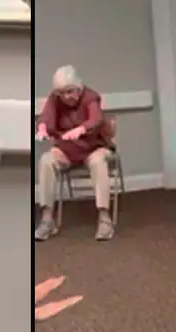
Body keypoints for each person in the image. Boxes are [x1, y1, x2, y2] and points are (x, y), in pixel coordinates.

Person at [34, 65, 115, 242]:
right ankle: (47, 219)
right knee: (47, 160)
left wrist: (81, 129)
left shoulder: (90, 97)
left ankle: (104, 217)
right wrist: (41, 127)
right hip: (68, 150)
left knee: (97, 162)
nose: (66, 97)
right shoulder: (55, 99)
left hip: (94, 147)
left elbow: (96, 119)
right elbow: (46, 116)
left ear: (79, 88)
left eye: (70, 92)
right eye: (62, 93)